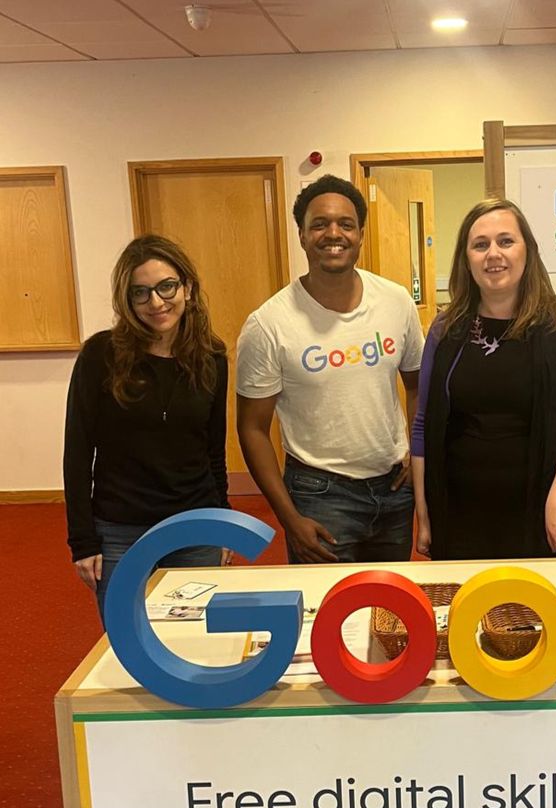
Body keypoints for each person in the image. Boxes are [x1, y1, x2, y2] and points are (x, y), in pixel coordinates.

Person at [237, 174, 423, 564]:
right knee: (325, 616)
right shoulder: (269, 323)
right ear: (302, 236)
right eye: (319, 224)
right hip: (319, 495)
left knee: (389, 612)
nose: (332, 233)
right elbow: (252, 428)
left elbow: (418, 385)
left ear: (360, 234)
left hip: (394, 489)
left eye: (345, 224)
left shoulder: (396, 301)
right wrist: (289, 517)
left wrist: (415, 456)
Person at [411, 198, 556, 561]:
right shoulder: (445, 328)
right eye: (480, 245)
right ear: (466, 259)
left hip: (544, 511)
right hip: (459, 514)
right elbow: (423, 425)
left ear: (527, 250)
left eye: (505, 241)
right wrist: (423, 511)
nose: (493, 253)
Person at [64, 235, 229, 622]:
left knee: (194, 641)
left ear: (187, 287)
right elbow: (76, 454)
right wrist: (82, 541)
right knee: (128, 645)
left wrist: (223, 523)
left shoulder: (212, 358)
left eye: (166, 286)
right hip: (121, 529)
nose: (156, 302)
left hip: (195, 525)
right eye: (141, 293)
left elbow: (213, 451)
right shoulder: (99, 356)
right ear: (128, 300)